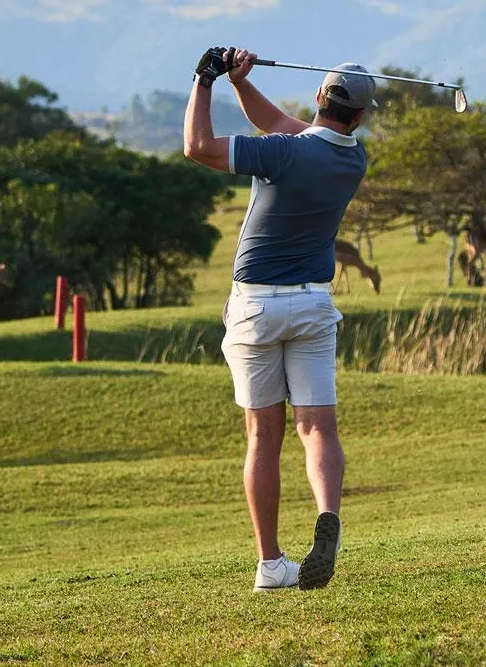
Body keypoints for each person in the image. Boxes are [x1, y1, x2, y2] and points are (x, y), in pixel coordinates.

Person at [182, 46, 375, 591]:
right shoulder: (351, 156)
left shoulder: (283, 155)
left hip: (257, 309)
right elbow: (278, 124)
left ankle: (271, 564)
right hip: (314, 304)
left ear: (319, 96)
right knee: (318, 427)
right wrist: (241, 83)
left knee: (263, 437)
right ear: (358, 116)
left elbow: (197, 147)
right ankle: (327, 514)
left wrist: (204, 81)